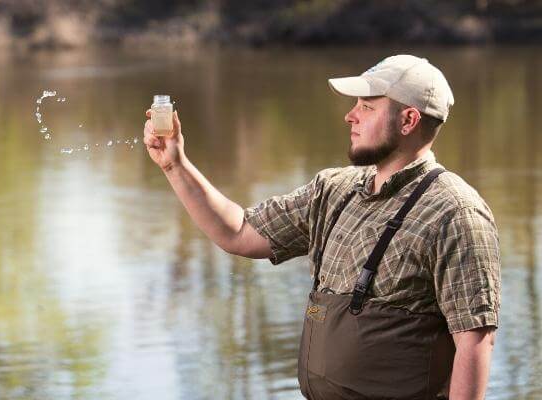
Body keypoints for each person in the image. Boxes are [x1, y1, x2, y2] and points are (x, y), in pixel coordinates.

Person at [142, 54, 501, 400]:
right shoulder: (333, 190)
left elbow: (474, 341)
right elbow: (238, 232)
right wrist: (176, 165)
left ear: (408, 121)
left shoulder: (457, 213)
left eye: (367, 107)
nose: (350, 116)